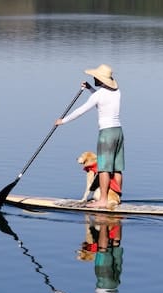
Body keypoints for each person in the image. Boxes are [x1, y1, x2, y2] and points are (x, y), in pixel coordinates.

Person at [55, 64, 124, 209]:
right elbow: (102, 98)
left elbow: (81, 110)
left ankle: (103, 200)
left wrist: (63, 121)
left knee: (104, 168)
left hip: (106, 134)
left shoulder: (99, 95)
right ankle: (117, 198)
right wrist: (90, 89)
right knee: (117, 168)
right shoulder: (116, 91)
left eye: (96, 77)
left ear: (101, 80)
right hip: (118, 132)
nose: (93, 78)